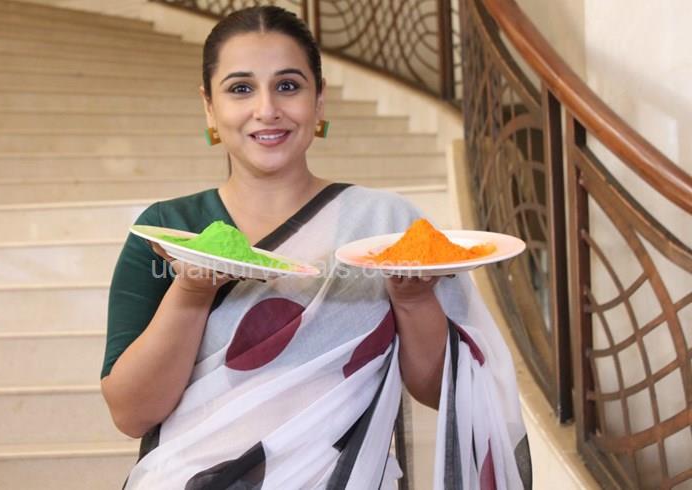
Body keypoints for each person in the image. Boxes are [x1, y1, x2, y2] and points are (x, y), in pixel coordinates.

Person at [101, 6, 531, 489]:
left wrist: (412, 299)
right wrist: (192, 290)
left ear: (319, 100)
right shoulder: (169, 231)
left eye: (288, 86)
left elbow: (444, 390)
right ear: (209, 107)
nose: (267, 109)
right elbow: (132, 413)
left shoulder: (384, 228)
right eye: (241, 89)